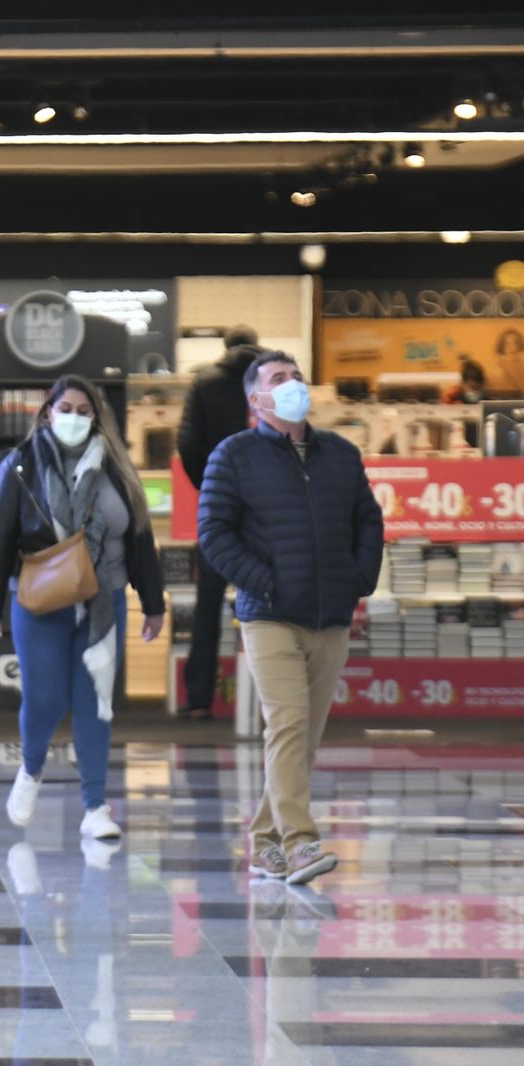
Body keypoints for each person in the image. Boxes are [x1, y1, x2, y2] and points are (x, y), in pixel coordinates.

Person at [199, 350, 384, 885]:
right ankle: (300, 843)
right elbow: (214, 535)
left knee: (304, 737)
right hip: (270, 616)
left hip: (330, 616)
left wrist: (360, 578)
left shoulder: (341, 456)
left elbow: (367, 520)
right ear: (257, 399)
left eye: (297, 376)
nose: (292, 384)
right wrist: (267, 580)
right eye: (278, 379)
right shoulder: (232, 456)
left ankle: (263, 843)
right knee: (288, 723)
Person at [0, 375, 166, 841]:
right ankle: (32, 767)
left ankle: (95, 804)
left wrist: (152, 601)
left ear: (98, 419)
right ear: (47, 413)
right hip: (42, 601)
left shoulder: (118, 468)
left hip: (104, 603)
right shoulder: (20, 466)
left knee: (95, 704)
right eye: (67, 408)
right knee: (44, 699)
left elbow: (140, 537)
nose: (75, 418)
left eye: (86, 411)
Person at [174, 325, 263, 719]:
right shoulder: (274, 378)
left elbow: (188, 443)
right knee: (268, 603)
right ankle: (267, 702)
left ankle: (198, 700)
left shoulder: (204, 383)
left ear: (224, 348)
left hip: (219, 509)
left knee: (208, 603)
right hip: (266, 511)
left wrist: (208, 485)